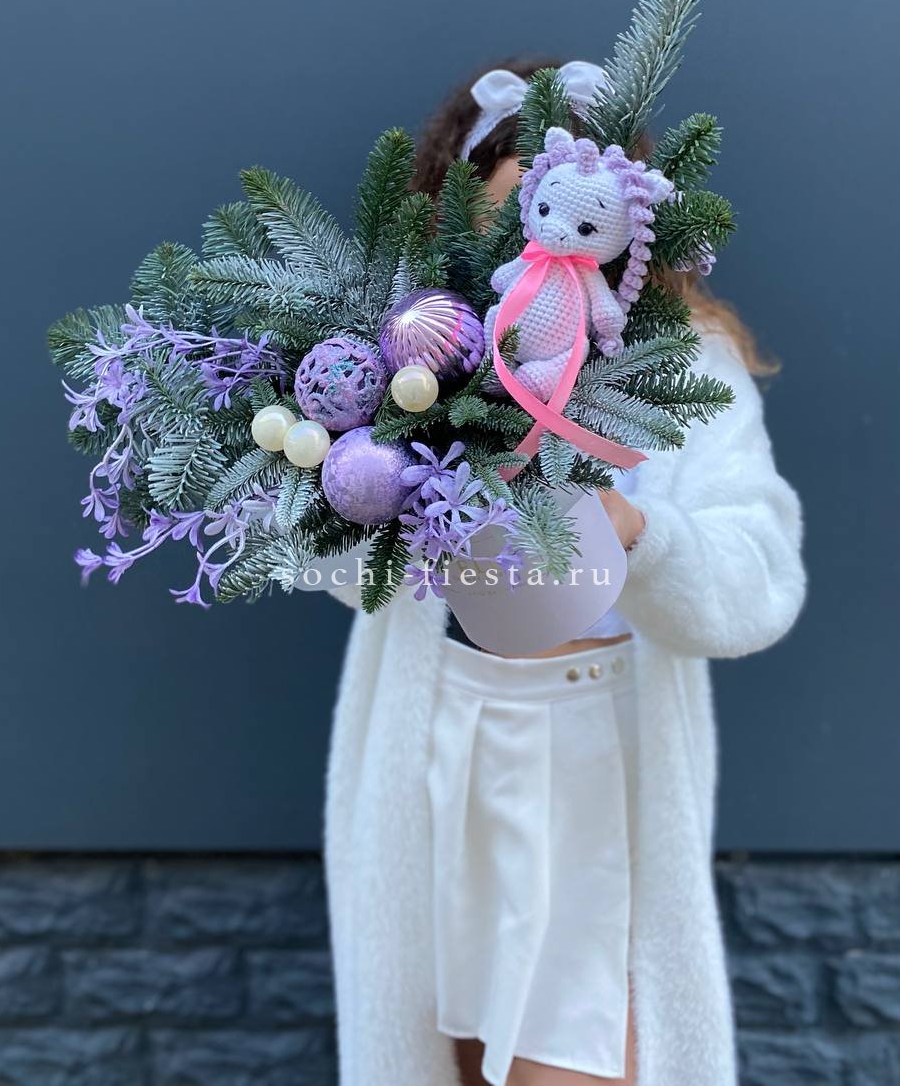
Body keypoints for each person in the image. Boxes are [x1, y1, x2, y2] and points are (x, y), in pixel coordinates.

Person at [321, 58, 807, 1086]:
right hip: (437, 743)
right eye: (506, 217)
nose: (537, 247)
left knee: (586, 1054)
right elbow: (330, 562)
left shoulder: (686, 367)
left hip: (599, 759)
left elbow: (759, 579)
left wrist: (642, 531)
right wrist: (368, 488)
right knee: (441, 1050)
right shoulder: (412, 358)